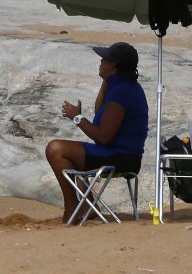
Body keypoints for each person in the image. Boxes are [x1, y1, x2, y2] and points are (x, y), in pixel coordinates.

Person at [46, 41, 149, 223]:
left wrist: (77, 118)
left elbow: (102, 136)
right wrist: (106, 79)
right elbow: (99, 112)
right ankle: (88, 205)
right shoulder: (121, 86)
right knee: (69, 152)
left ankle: (73, 207)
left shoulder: (122, 92)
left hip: (121, 157)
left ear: (113, 65)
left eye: (104, 59)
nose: (100, 62)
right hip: (122, 155)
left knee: (55, 149)